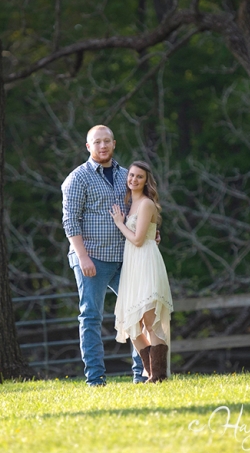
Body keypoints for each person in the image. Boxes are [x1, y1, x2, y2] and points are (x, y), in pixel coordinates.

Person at [61, 125, 146, 386]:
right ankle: (95, 379)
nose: (102, 146)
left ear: (114, 143)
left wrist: (150, 232)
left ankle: (142, 375)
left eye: (107, 141)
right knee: (91, 316)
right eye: (97, 142)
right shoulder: (78, 178)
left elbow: (139, 209)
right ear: (89, 147)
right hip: (92, 258)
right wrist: (82, 257)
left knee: (139, 312)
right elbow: (70, 221)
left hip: (125, 257)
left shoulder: (126, 176)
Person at [109, 161, 173, 383]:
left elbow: (137, 239)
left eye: (139, 177)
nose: (133, 180)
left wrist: (119, 223)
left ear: (147, 182)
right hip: (132, 266)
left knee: (150, 321)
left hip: (146, 263)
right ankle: (153, 374)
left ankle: (159, 377)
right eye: (132, 175)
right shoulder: (131, 204)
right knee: (131, 324)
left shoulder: (146, 204)